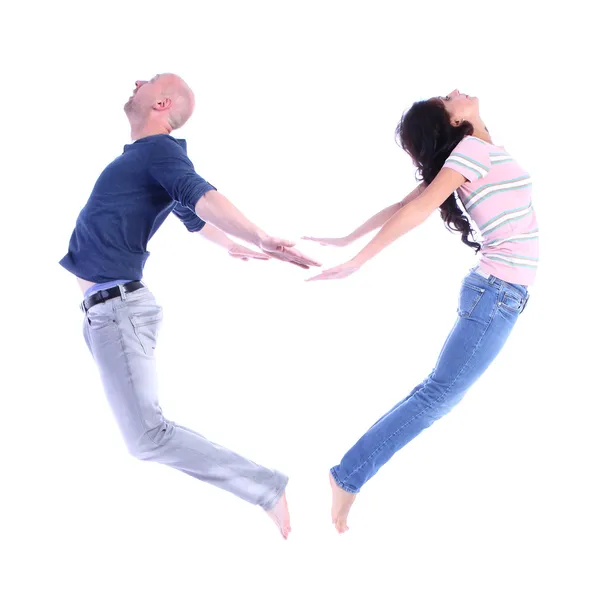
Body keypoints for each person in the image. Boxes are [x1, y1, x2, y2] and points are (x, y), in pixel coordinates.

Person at [59, 73, 321, 540]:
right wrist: (229, 246)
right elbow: (192, 215)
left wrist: (257, 235)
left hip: (118, 310)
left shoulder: (160, 150)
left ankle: (265, 488)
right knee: (142, 435)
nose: (135, 80)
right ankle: (265, 488)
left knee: (145, 437)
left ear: (160, 102)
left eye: (148, 81)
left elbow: (202, 194)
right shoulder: (145, 157)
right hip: (106, 313)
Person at [303, 89, 538, 533]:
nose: (455, 91)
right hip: (497, 295)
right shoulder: (471, 151)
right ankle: (347, 477)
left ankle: (347, 475)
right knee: (436, 397)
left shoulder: (480, 151)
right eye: (446, 99)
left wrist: (346, 238)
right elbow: (417, 211)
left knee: (435, 393)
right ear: (452, 123)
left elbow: (407, 203)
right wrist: (357, 257)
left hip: (501, 295)